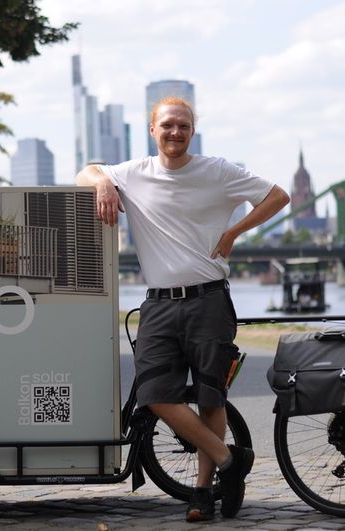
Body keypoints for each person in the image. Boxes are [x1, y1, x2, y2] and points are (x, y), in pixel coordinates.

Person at [76, 96, 290, 522]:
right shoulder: (133, 174)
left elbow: (278, 196)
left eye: (184, 126)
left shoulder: (218, 171)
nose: (176, 132)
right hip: (158, 303)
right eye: (168, 125)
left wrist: (234, 231)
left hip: (209, 301)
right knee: (154, 395)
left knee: (211, 397)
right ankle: (230, 460)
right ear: (152, 130)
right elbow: (85, 172)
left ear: (193, 131)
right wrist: (102, 183)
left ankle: (203, 492)